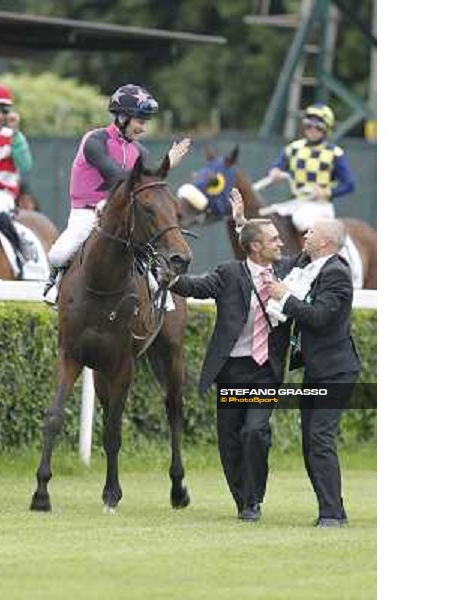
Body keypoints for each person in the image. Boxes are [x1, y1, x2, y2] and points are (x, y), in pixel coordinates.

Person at [169, 191, 292, 522]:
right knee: (230, 441)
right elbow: (196, 287)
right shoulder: (229, 273)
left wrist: (241, 221)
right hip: (232, 371)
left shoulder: (287, 271)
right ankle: (242, 500)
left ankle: (254, 500)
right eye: (274, 239)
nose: (281, 243)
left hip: (265, 372)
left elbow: (304, 259)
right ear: (255, 247)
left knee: (254, 432)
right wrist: (166, 277)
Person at [43, 83, 191, 305]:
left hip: (122, 214)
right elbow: (117, 176)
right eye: (140, 121)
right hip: (87, 213)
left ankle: (158, 294)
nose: (143, 128)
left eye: (145, 122)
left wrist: (166, 166)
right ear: (122, 117)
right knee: (58, 255)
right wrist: (166, 162)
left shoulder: (140, 150)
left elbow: (147, 183)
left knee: (149, 254)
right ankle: (55, 284)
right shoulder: (95, 140)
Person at [267, 218, 361, 528]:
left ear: (324, 243)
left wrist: (284, 297)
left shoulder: (337, 273)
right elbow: (272, 258)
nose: (304, 235)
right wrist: (241, 225)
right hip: (318, 371)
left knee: (319, 438)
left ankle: (332, 515)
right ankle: (333, 511)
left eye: (311, 233)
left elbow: (319, 317)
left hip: (337, 372)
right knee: (311, 441)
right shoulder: (308, 264)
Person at [265, 103, 355, 232]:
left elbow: (349, 184)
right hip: (295, 203)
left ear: (326, 129)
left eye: (318, 127)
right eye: (308, 125)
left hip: (320, 206)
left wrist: (327, 192)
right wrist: (275, 171)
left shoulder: (335, 153)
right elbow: (278, 165)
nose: (312, 130)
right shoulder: (293, 148)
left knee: (301, 219)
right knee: (267, 220)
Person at [0, 83, 35, 276]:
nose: (0, 116)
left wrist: (16, 136)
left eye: (4, 111)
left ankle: (20, 249)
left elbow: (25, 165)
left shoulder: (14, 137)